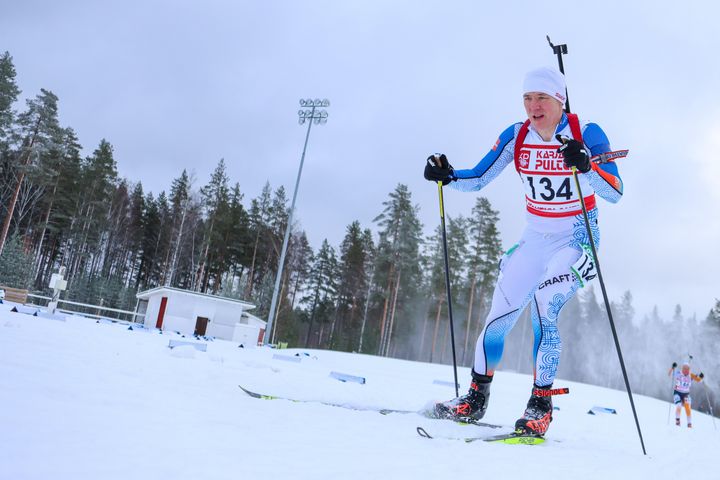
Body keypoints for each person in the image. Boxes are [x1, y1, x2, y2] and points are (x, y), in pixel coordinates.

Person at [423, 66, 623, 436]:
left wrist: (587, 164)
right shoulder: (517, 136)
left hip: (578, 236)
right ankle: (474, 397)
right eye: (528, 98)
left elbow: (615, 191)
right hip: (537, 235)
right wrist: (448, 175)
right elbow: (480, 176)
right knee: (501, 309)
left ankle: (540, 404)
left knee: (546, 300)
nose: (533, 106)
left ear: (560, 101)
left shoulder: (586, 132)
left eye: (542, 98)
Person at [669, 361, 704, 428]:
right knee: (679, 405)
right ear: (682, 368)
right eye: (684, 368)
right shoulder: (678, 373)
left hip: (685, 394)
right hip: (677, 393)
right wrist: (672, 367)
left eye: (687, 369)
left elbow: (699, 380)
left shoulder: (691, 375)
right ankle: (677, 421)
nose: (686, 370)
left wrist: (701, 377)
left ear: (689, 369)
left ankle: (689, 424)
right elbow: (670, 374)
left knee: (687, 408)